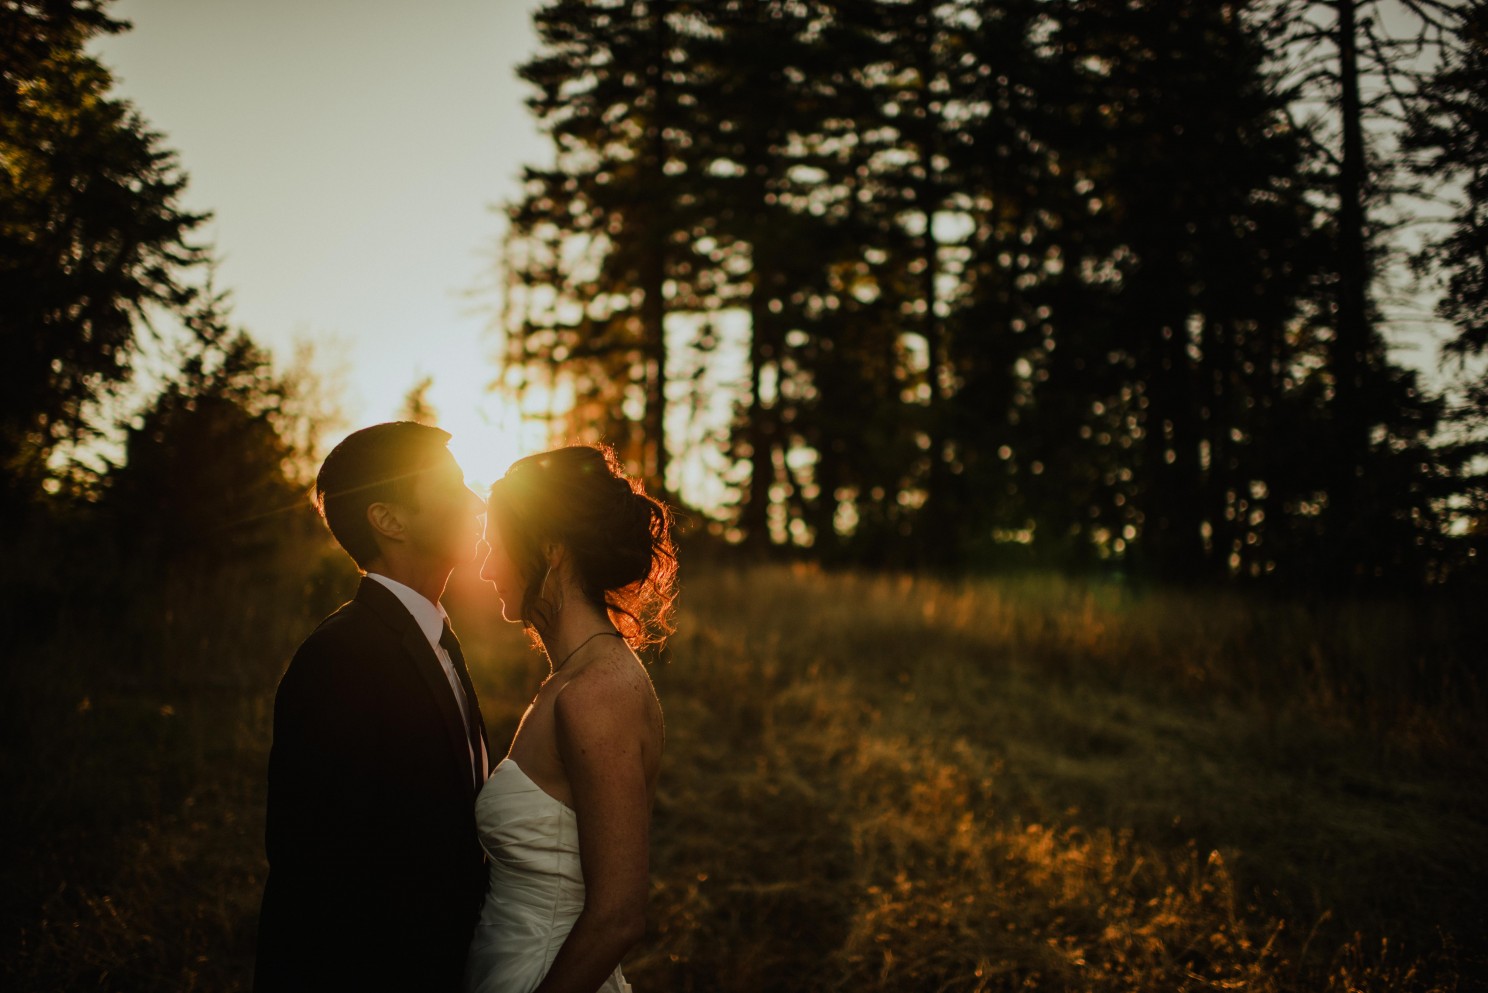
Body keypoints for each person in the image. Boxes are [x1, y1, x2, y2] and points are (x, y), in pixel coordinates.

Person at [254, 422, 491, 992]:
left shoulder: (434, 638)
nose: (477, 501)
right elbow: (317, 874)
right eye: (451, 487)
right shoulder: (342, 658)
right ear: (389, 520)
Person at [465, 444, 677, 993]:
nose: (486, 569)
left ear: (550, 549)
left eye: (495, 547)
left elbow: (619, 916)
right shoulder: (575, 679)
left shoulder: (595, 693)